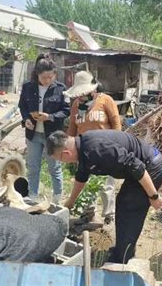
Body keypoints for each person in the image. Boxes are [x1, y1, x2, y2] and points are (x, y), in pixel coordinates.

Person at [47, 130, 162, 264]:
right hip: (141, 169)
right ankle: (122, 250)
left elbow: (137, 167)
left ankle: (123, 259)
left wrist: (154, 196)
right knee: (122, 203)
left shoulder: (97, 149)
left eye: (60, 160)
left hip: (151, 167)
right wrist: (70, 202)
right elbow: (81, 177)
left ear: (66, 154)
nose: (63, 163)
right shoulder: (82, 148)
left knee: (130, 210)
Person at [64, 71, 122, 223]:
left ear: (93, 90)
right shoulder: (76, 105)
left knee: (106, 184)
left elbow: (116, 124)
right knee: (87, 182)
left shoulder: (106, 100)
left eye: (84, 93)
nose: (81, 96)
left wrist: (117, 145)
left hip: (106, 149)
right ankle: (89, 212)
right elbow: (72, 128)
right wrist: (70, 146)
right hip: (84, 151)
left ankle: (109, 214)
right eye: (79, 94)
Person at [18, 54, 70, 204]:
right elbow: (22, 106)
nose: (47, 80)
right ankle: (32, 197)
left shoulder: (60, 89)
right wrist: (27, 118)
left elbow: (66, 111)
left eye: (50, 77)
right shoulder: (28, 87)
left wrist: (50, 116)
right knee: (33, 167)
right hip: (33, 134)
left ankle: (57, 199)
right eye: (44, 77)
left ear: (54, 74)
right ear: (37, 74)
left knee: (54, 167)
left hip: (52, 135)